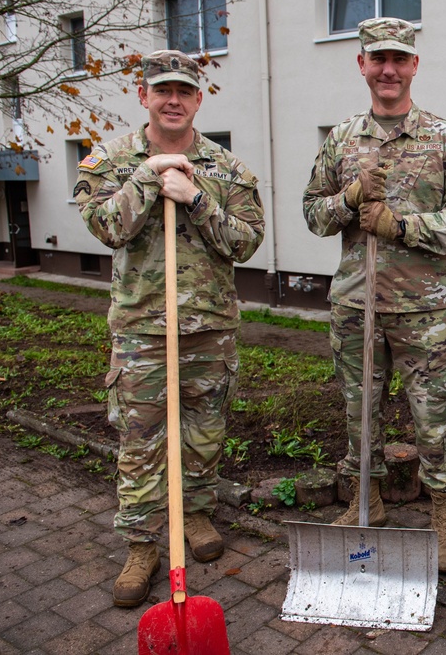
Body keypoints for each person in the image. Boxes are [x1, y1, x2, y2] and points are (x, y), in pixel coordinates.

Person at [74, 49, 265, 607]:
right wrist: (145, 180)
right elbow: (106, 227)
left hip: (208, 327)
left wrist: (197, 198)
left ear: (198, 100)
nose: (173, 100)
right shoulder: (108, 162)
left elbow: (248, 242)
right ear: (144, 97)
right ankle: (141, 542)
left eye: (184, 91)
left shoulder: (226, 169)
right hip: (142, 331)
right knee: (140, 443)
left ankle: (197, 515)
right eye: (163, 91)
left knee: (205, 432)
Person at [303, 17, 446, 573]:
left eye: (398, 59)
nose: (388, 69)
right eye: (377, 59)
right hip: (357, 304)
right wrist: (350, 198)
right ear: (361, 65)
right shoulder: (341, 138)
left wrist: (399, 226)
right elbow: (313, 214)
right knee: (361, 416)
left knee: (434, 419)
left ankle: (443, 517)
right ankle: (368, 502)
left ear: (414, 66)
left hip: (424, 309)